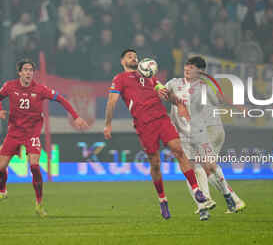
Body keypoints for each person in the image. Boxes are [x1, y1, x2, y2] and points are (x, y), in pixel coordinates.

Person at [103, 49, 207, 220]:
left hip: (161, 118)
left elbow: (162, 90)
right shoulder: (119, 79)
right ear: (122, 61)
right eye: (130, 56)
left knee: (178, 150)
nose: (134, 58)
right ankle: (163, 200)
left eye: (135, 56)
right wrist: (108, 124)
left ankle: (196, 190)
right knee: (155, 164)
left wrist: (175, 101)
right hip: (144, 125)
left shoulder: (149, 75)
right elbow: (112, 101)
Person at [158, 56, 245, 220]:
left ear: (200, 72)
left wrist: (237, 106)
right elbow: (160, 92)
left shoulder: (204, 87)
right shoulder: (174, 83)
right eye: (187, 66)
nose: (188, 69)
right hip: (181, 134)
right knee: (191, 169)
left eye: (192, 67)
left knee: (207, 166)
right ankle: (205, 204)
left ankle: (228, 197)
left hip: (202, 131)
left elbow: (220, 98)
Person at [0, 59, 88, 216]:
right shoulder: (9, 86)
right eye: (25, 70)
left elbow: (61, 99)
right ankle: (3, 190)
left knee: (34, 167)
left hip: (31, 133)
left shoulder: (40, 89)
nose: (28, 72)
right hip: (14, 132)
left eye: (31, 70)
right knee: (0, 167)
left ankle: (39, 204)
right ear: (19, 72)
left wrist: (76, 116)